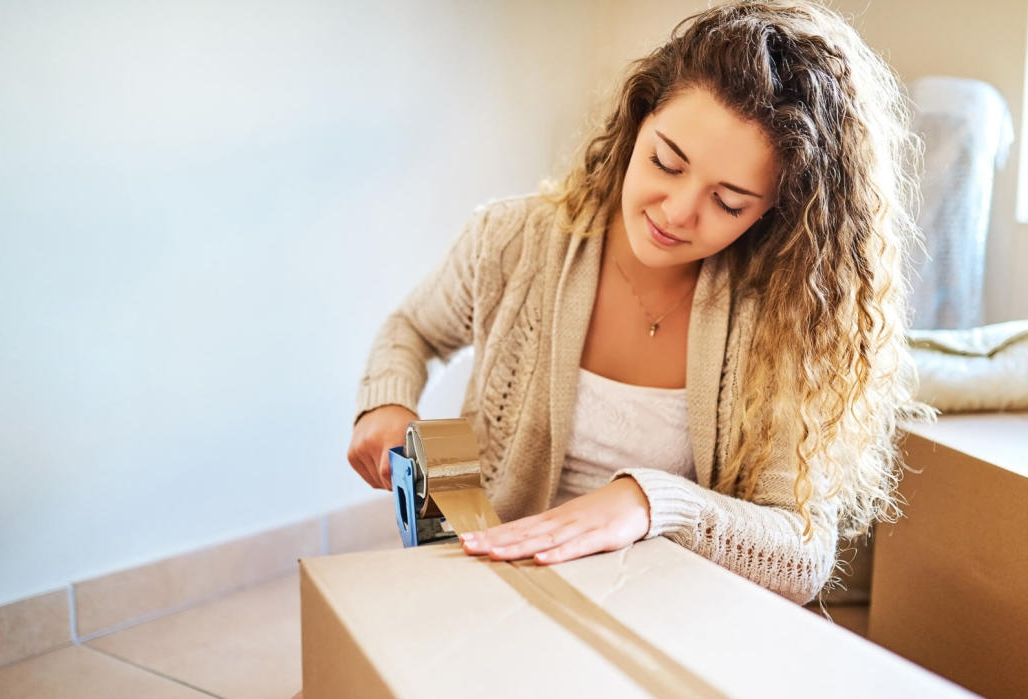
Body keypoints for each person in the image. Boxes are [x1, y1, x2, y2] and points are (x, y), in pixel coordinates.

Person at [346, 0, 927, 604]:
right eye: (665, 162)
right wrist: (385, 402)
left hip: (665, 612)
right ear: (637, 122)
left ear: (775, 211)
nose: (676, 213)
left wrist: (652, 502)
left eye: (729, 203)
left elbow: (802, 555)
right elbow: (412, 328)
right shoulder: (511, 241)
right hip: (491, 591)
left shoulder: (785, 314)